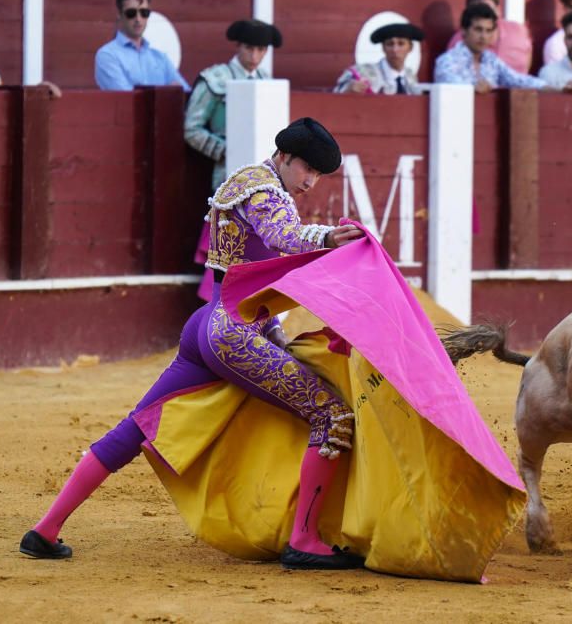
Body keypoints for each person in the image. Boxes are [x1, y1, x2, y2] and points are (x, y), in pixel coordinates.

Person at [20, 118, 370, 570]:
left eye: (320, 176)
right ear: (283, 156)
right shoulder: (263, 191)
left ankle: (45, 530)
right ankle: (304, 539)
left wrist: (277, 332)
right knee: (333, 413)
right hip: (234, 334)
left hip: (210, 324)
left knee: (134, 427)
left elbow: (251, 269)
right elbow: (284, 238)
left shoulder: (247, 183)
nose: (311, 181)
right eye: (308, 169)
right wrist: (326, 236)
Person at [184, 19, 283, 192]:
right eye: (249, 48)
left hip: (264, 172)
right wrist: (226, 150)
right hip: (226, 172)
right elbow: (191, 128)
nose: (254, 56)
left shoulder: (266, 80)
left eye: (260, 50)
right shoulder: (215, 79)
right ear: (238, 46)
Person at [94, 0, 190, 91]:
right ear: (120, 15)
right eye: (131, 13)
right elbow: (126, 99)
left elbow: (186, 94)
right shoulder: (107, 55)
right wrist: (167, 92)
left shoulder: (160, 58)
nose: (138, 19)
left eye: (144, 13)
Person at [434, 3, 547, 92]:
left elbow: (518, 80)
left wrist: (549, 87)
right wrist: (473, 88)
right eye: (478, 30)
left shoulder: (491, 60)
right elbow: (449, 83)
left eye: (488, 31)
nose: (483, 37)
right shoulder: (447, 61)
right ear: (463, 31)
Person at [444, 0, 534, 74]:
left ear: (498, 10)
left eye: (488, 10)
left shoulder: (518, 31)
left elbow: (527, 55)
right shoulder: (459, 41)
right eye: (477, 12)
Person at [334, 23, 424, 95]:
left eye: (401, 44)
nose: (395, 49)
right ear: (383, 48)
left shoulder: (410, 76)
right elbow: (336, 94)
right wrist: (348, 90)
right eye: (390, 44)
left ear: (410, 48)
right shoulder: (362, 72)